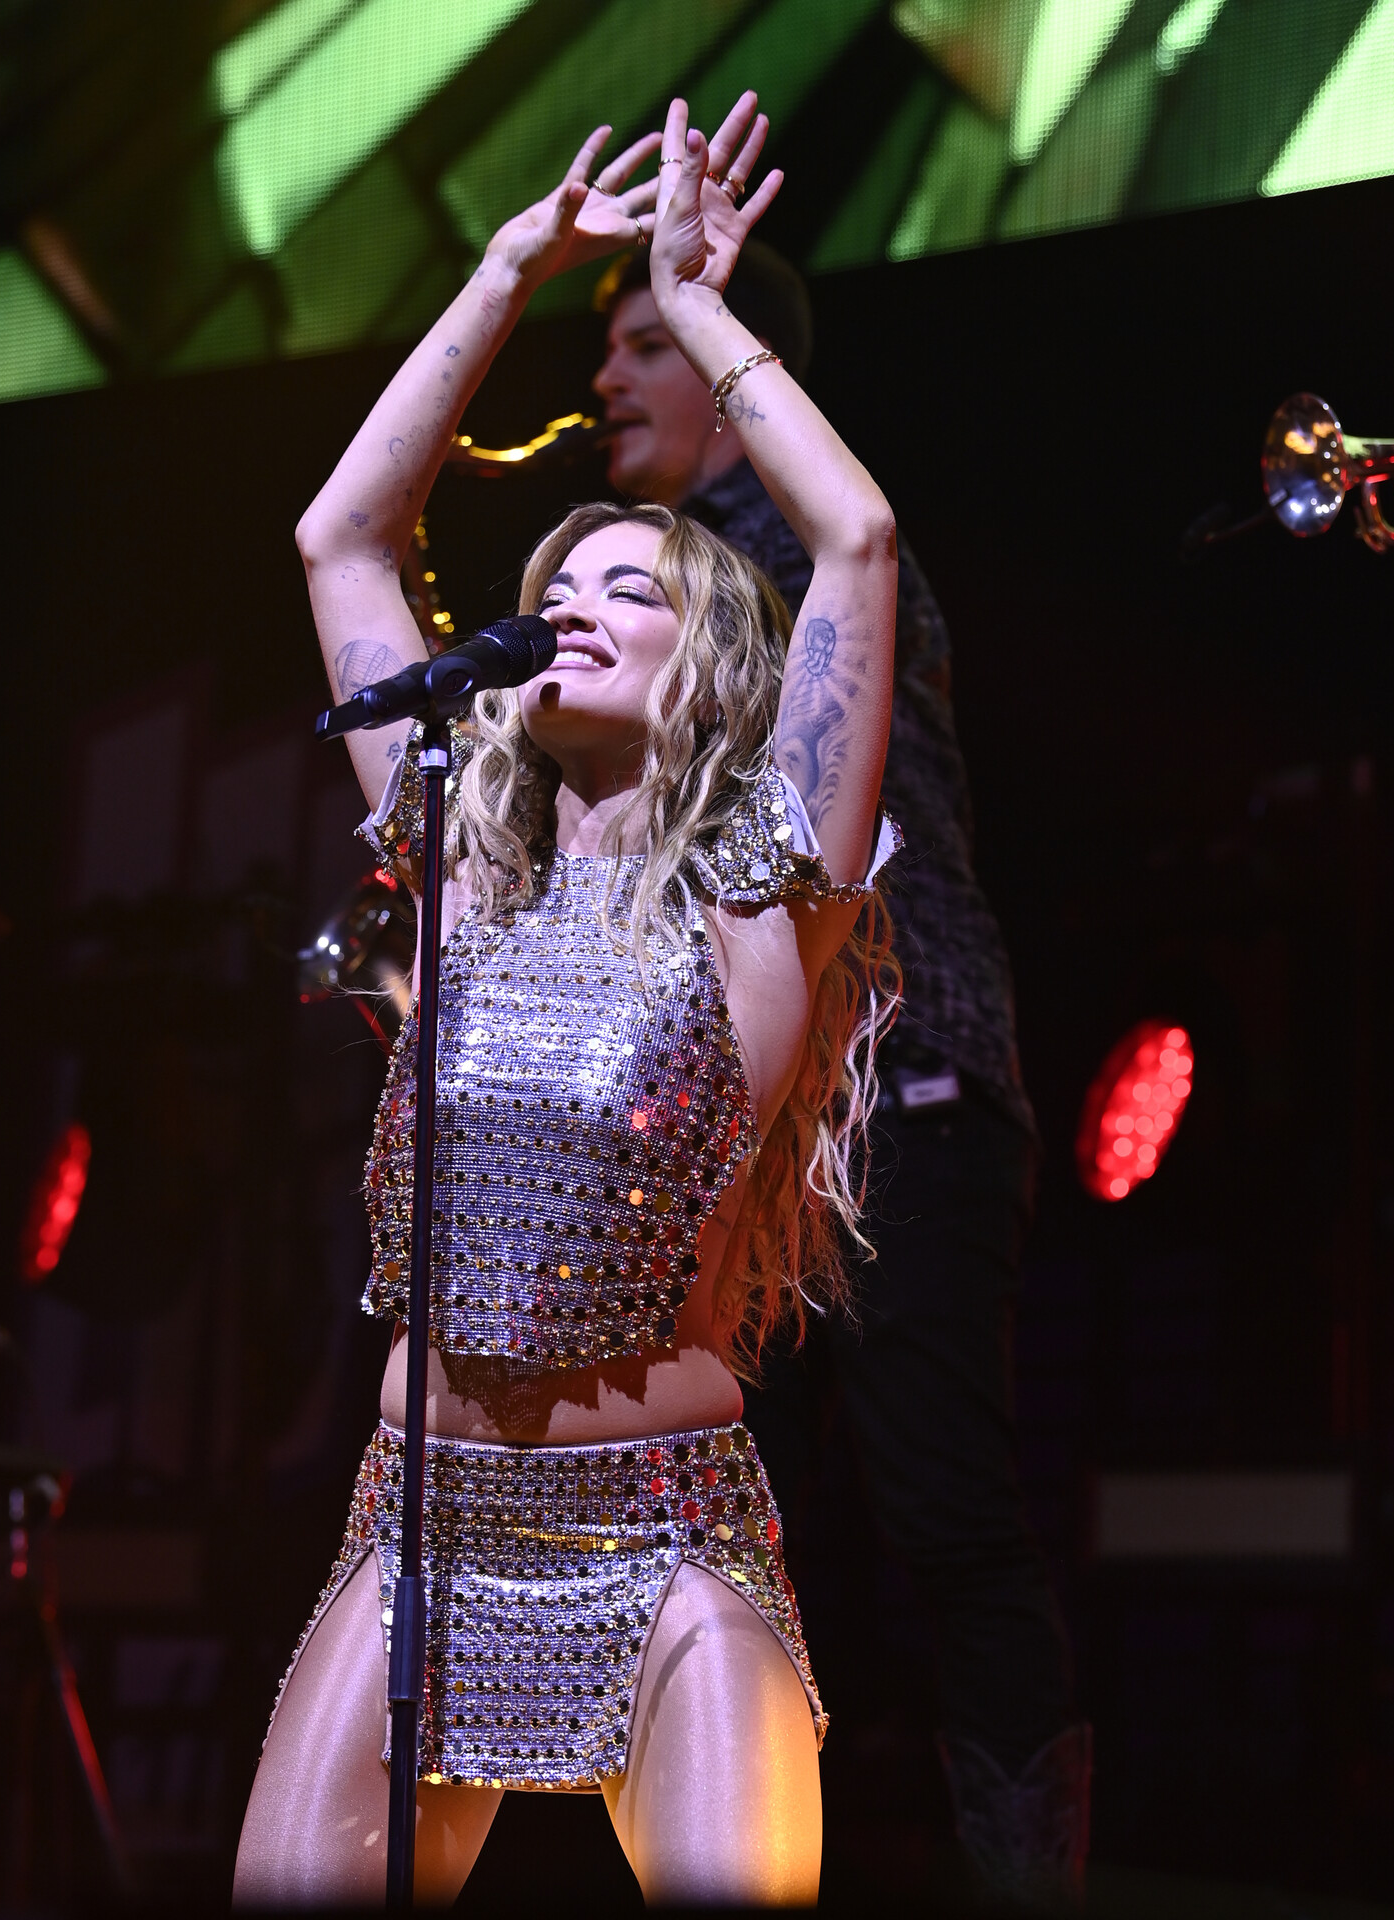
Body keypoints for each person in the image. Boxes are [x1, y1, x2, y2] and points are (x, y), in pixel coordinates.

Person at [233, 91, 901, 1908]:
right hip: (418, 1521)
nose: (574, 604)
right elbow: (340, 540)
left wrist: (695, 310)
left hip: (661, 1529)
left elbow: (853, 543)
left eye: (629, 586)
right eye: (556, 585)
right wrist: (506, 271)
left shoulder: (759, 895)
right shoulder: (464, 854)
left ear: (713, 668)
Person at [590, 237, 1091, 1901]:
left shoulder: (799, 557)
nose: (602, 380)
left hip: (902, 1099)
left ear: (733, 377)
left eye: (644, 346)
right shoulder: (661, 574)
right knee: (734, 1530)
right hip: (738, 1133)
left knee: (942, 1515)